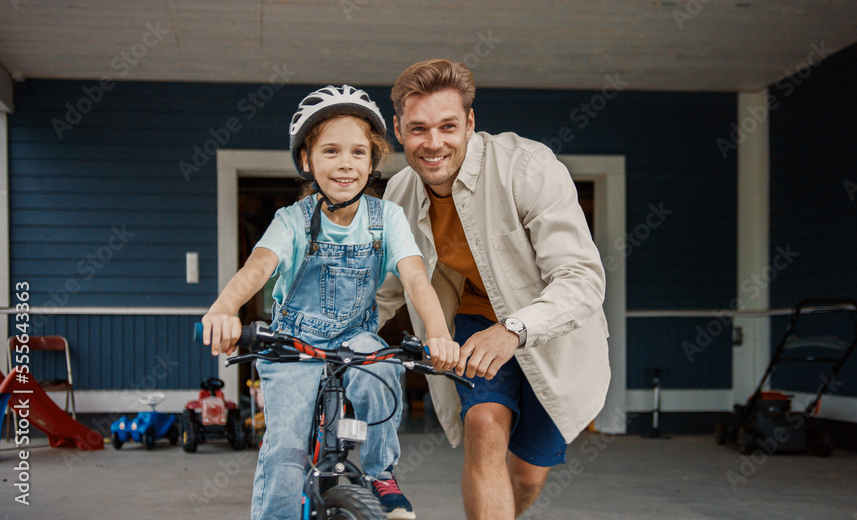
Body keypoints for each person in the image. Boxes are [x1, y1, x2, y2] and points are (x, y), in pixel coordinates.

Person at [201, 84, 460, 520]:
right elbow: (257, 268)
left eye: (359, 152)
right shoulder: (293, 221)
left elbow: (415, 278)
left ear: (373, 160)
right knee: (285, 449)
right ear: (307, 160)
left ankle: (381, 471)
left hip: (355, 337)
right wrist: (223, 309)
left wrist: (437, 335)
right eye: (331, 151)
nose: (346, 164)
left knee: (381, 368)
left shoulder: (386, 219)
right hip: (292, 345)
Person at [376, 60, 611, 519]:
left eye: (447, 126)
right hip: (474, 319)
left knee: (525, 476)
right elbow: (386, 286)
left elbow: (582, 278)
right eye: (419, 128)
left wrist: (515, 329)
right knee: (483, 426)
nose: (434, 143)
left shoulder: (527, 169)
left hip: (551, 332)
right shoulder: (400, 193)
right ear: (399, 129)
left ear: (470, 123)